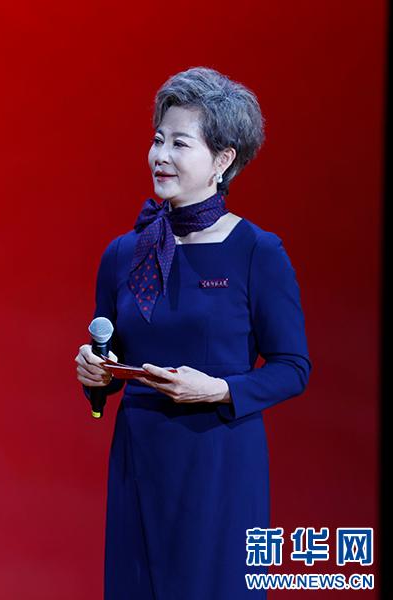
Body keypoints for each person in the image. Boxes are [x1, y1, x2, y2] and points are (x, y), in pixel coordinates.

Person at [75, 67, 310, 599]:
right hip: (140, 462)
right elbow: (109, 363)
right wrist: (95, 373)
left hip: (218, 462)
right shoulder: (124, 253)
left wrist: (220, 390)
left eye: (180, 144)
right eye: (158, 139)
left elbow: (293, 368)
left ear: (223, 160)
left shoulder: (257, 252)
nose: (160, 155)